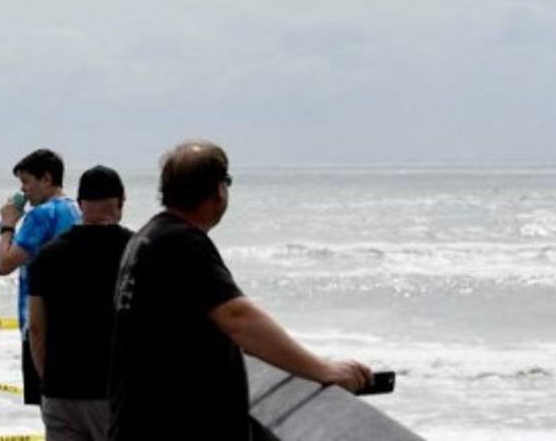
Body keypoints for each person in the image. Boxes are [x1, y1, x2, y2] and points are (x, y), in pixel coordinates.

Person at [108, 141, 372, 441]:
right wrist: (322, 369)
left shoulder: (147, 237)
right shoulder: (182, 243)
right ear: (219, 190)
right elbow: (238, 317)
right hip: (171, 425)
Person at [27, 165, 133, 441]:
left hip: (61, 393)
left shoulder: (47, 256)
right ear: (120, 202)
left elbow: (36, 329)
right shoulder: (137, 251)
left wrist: (50, 382)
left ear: (80, 203)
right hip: (116, 394)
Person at [0, 148, 81, 405]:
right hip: (72, 319)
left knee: (51, 410)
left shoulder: (40, 214)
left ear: (46, 179)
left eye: (26, 182)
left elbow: (4, 264)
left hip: (41, 321)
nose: (23, 191)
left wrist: (8, 224)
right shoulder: (76, 209)